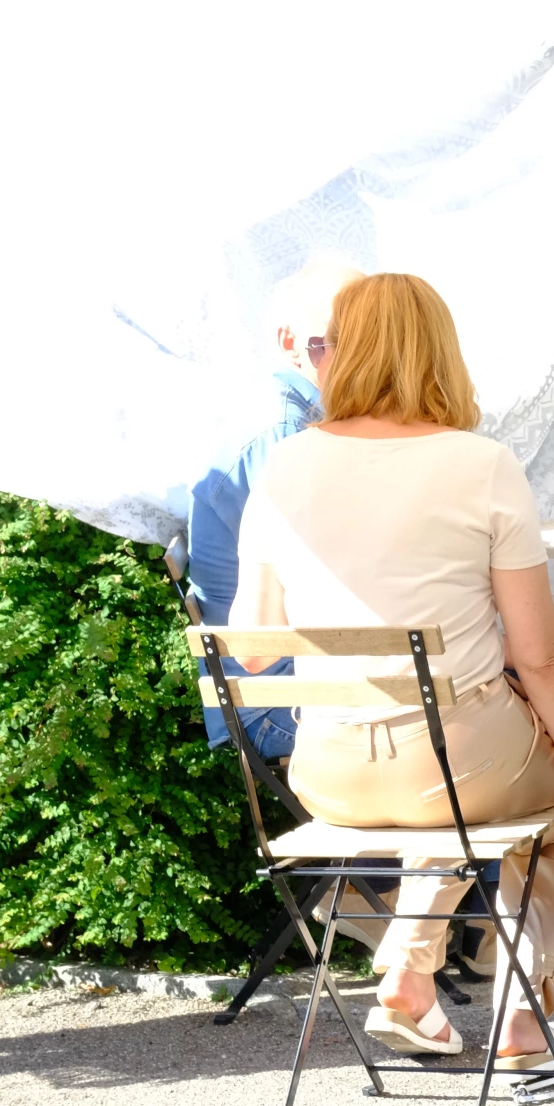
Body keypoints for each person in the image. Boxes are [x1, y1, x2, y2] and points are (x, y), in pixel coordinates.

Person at [236, 273, 554, 1067]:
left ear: (343, 350)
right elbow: (540, 655)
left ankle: (411, 976)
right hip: (456, 765)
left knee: (451, 775)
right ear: (441, 350)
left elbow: (253, 648)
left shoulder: (285, 465)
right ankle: (520, 1015)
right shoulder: (482, 465)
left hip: (327, 770)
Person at [187, 258, 357, 759]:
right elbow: (332, 579)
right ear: (290, 343)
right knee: (484, 692)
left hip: (291, 675)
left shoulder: (298, 410)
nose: (365, 353)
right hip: (273, 698)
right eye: (340, 339)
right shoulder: (282, 433)